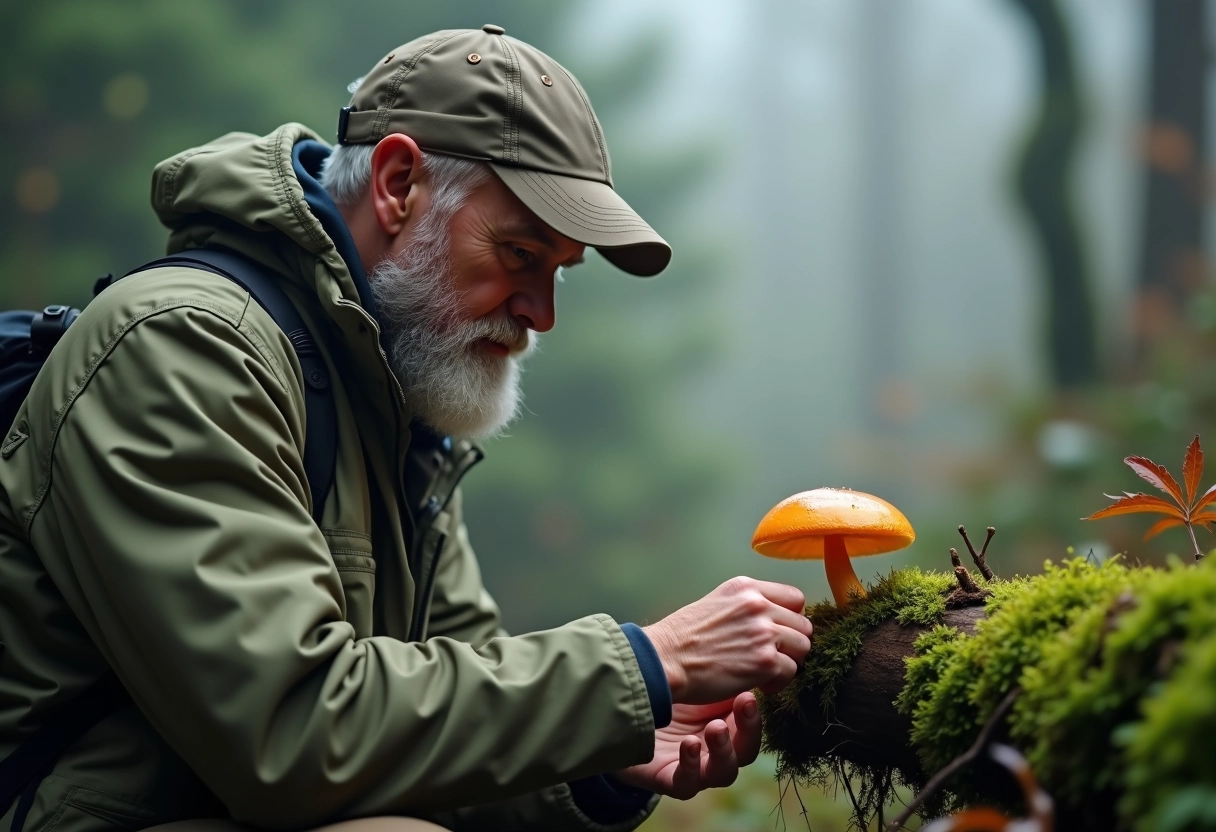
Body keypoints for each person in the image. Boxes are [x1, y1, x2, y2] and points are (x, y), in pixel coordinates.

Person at [0, 25, 813, 832]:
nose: (542, 314)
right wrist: (645, 665)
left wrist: (602, 755)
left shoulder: (398, 399)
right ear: (397, 184)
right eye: (521, 252)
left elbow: (431, 734)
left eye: (560, 270)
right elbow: (290, 736)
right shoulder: (183, 349)